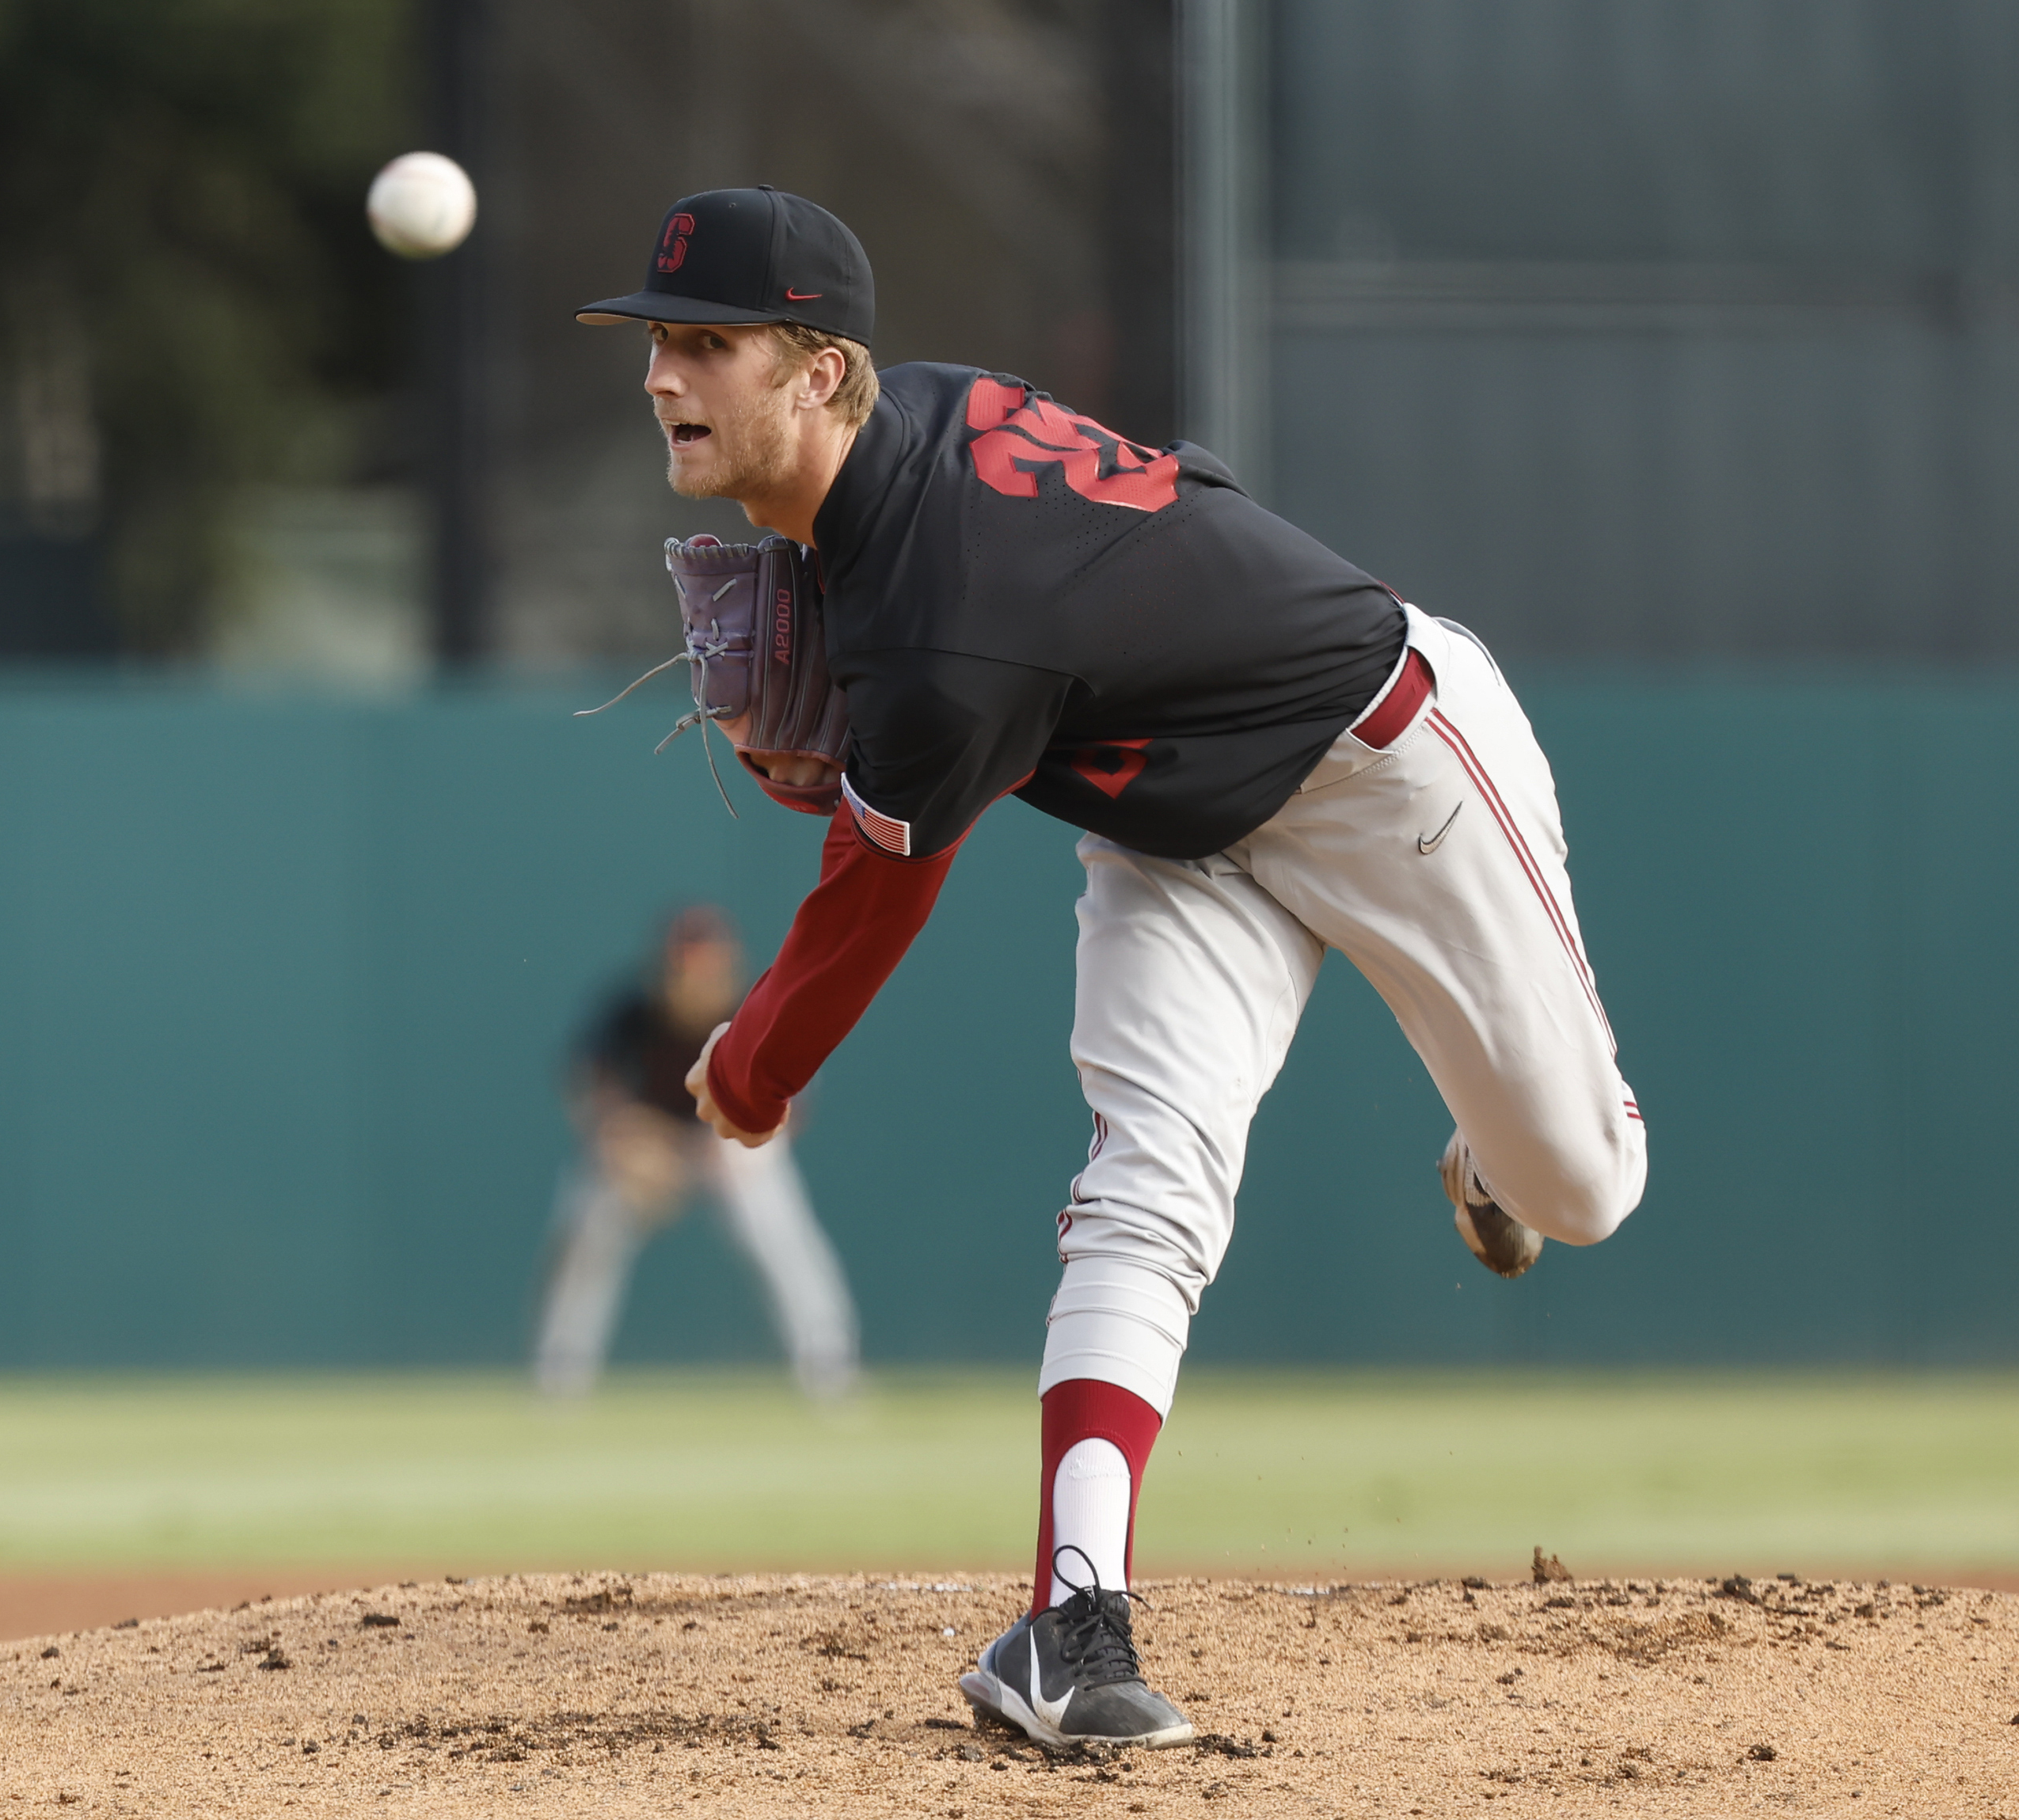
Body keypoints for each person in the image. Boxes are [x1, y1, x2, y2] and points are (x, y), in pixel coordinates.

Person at [576, 188, 1648, 1748]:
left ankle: (1493, 1145)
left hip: (1387, 764)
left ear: (816, 371)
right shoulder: (903, 435)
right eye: (657, 343)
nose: (666, 377)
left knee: (1577, 1193)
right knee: (1144, 1184)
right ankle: (1070, 1631)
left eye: (708, 345)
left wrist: (749, 1069)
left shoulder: (947, 636)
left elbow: (878, 892)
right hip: (1171, 822)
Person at [535, 903, 860, 1399]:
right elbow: (589, 1090)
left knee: (777, 1227)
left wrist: (741, 1146)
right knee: (589, 1226)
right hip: (649, 1147)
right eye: (686, 966)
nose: (698, 977)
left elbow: (798, 1104)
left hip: (732, 1143)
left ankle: (830, 1367)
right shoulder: (632, 1011)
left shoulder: (754, 1007)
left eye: (709, 964)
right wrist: (623, 1139)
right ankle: (559, 1376)